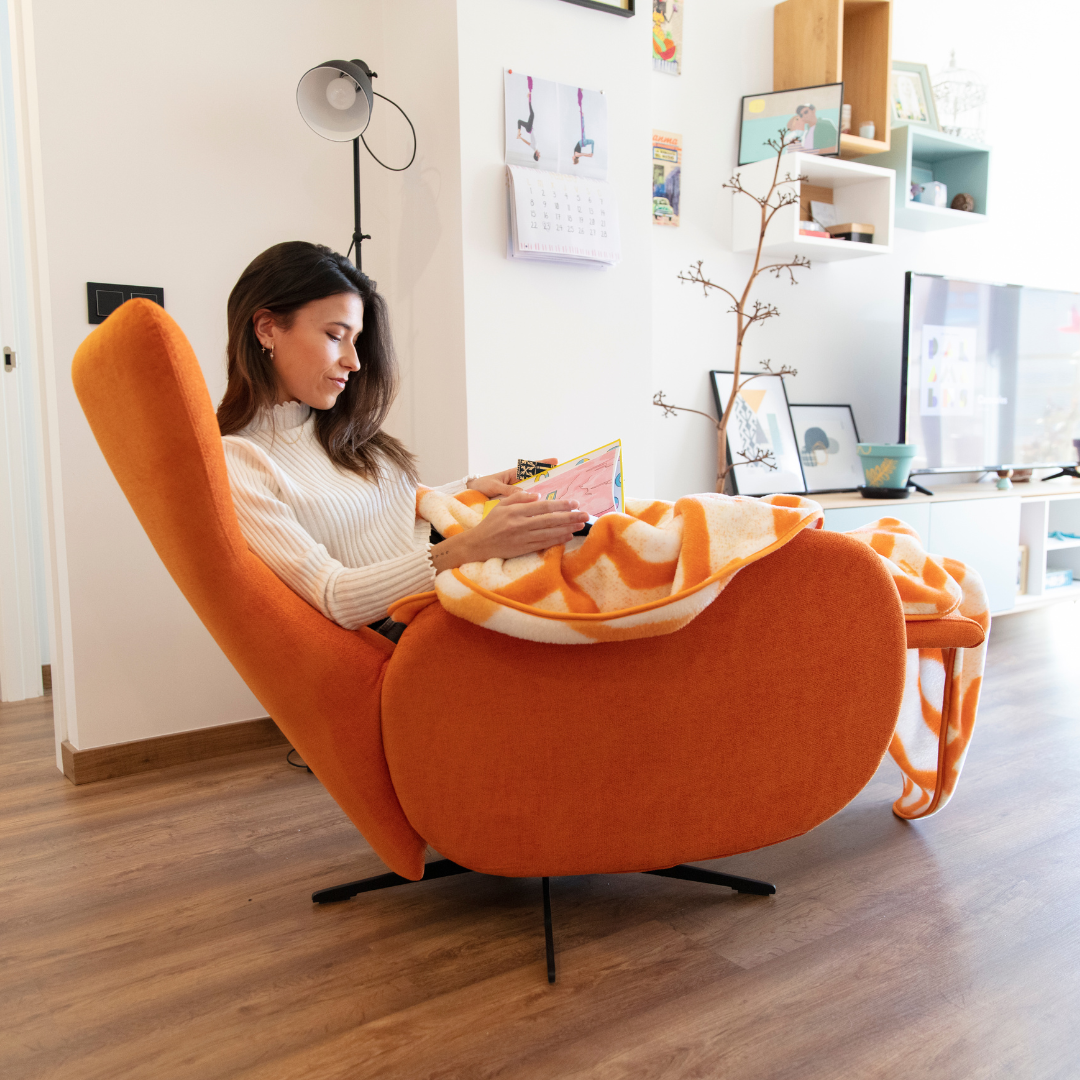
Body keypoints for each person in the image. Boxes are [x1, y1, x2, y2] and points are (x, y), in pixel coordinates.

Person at [218, 242, 587, 638]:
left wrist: (472, 485)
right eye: (334, 335)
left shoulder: (329, 426)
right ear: (267, 328)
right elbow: (332, 594)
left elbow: (377, 514)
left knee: (601, 512)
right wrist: (475, 546)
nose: (354, 362)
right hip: (422, 610)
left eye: (356, 340)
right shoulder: (240, 459)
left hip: (453, 555)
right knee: (610, 557)